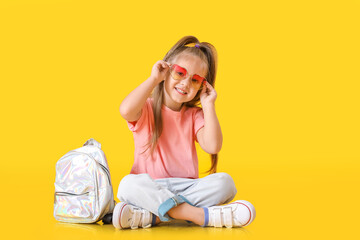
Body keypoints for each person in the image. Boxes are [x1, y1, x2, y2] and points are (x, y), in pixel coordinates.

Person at [112, 36, 256, 230]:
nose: (186, 83)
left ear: (201, 87)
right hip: (151, 186)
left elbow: (213, 145)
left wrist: (208, 105)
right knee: (127, 185)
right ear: (166, 71)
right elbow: (126, 110)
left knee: (226, 183)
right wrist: (154, 79)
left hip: (186, 187)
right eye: (180, 73)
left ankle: (154, 216)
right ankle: (200, 216)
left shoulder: (194, 115)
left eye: (195, 80)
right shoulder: (146, 108)